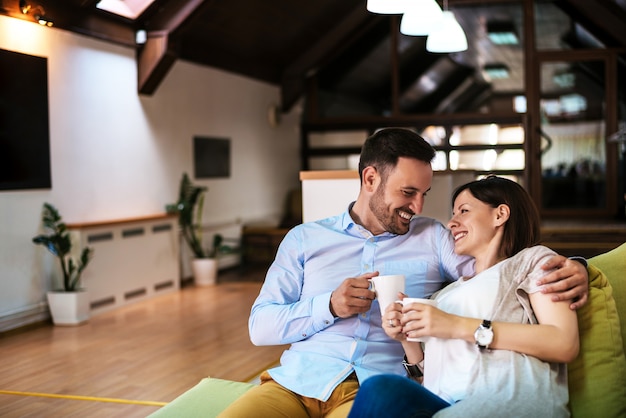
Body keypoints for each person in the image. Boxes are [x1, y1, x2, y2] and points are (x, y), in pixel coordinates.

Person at [218, 128, 588, 418]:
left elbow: (497, 269)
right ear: (370, 179)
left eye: (425, 193)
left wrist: (577, 267)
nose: (418, 207)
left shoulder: (433, 237)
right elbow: (260, 327)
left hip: (374, 388)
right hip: (296, 384)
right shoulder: (304, 239)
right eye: (409, 192)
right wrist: (329, 305)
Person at [348, 176, 580, 418]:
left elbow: (563, 343)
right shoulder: (445, 294)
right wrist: (407, 339)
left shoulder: (531, 262)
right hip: (446, 404)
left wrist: (454, 325)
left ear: (500, 214)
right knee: (380, 389)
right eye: (453, 213)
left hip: (506, 398)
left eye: (464, 211)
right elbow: (432, 378)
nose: (451, 223)